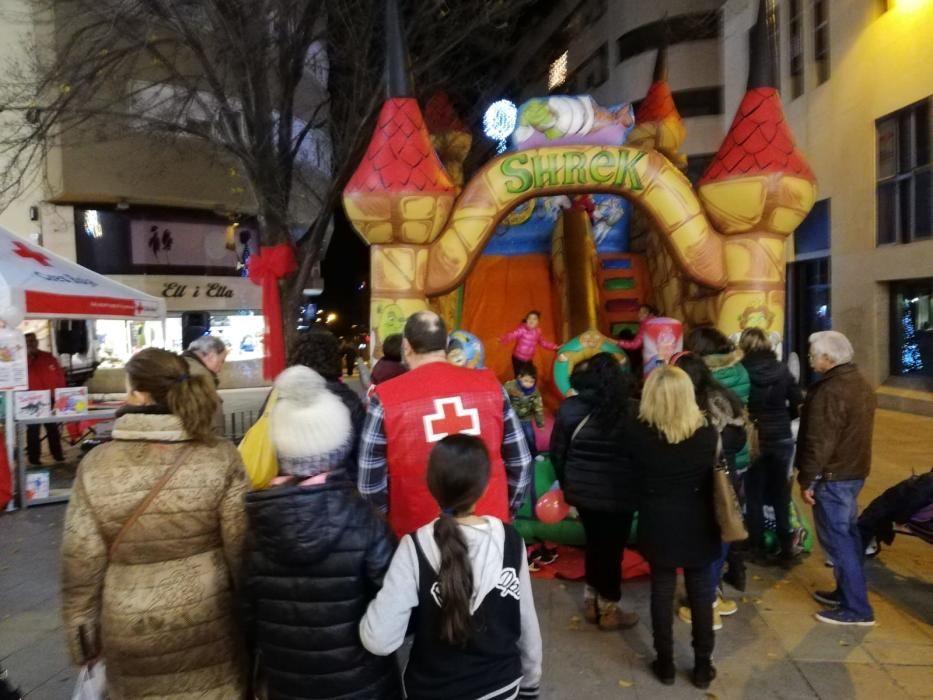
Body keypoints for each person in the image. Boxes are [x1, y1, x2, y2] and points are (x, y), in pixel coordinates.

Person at [61, 348, 249, 697]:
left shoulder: (96, 465)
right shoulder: (221, 456)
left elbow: (80, 563)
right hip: (210, 621)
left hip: (129, 626)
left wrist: (83, 637)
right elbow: (242, 550)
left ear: (142, 394)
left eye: (128, 387)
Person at [245, 366, 401, 699]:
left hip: (287, 685)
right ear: (340, 445)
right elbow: (397, 608)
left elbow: (248, 616)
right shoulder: (366, 521)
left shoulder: (256, 526)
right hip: (364, 685)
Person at [360, 435, 542, 699]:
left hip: (431, 690)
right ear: (483, 486)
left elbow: (379, 640)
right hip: (502, 688)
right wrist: (530, 685)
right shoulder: (511, 540)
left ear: (432, 484)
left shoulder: (414, 548)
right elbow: (527, 624)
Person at [359, 310, 532, 537]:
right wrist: (506, 511)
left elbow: (369, 485)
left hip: (416, 531)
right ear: (447, 344)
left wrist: (388, 524)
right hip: (489, 526)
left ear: (407, 347)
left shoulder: (385, 398)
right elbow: (521, 462)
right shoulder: (491, 386)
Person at [629, 366, 719, 689]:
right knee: (700, 592)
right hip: (698, 519)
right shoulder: (707, 435)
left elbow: (631, 478)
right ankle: (702, 666)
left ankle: (665, 664)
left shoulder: (638, 434)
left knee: (661, 590)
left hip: (658, 518)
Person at [549, 353, 639, 631]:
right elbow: (639, 455)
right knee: (611, 550)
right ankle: (609, 608)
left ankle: (591, 601)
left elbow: (557, 453)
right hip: (620, 494)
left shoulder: (568, 409)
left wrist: (569, 486)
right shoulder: (631, 410)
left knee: (595, 544)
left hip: (583, 493)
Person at [796, 331, 876, 626]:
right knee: (848, 536)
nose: (810, 359)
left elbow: (820, 441)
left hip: (834, 477)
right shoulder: (859, 384)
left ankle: (857, 608)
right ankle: (846, 594)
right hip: (852, 472)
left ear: (828, 358)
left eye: (813, 355)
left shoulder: (830, 391)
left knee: (839, 541)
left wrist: (809, 480)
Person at [675, 352, 747, 613]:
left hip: (698, 480)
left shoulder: (686, 403)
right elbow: (738, 440)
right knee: (722, 531)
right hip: (726, 476)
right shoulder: (724, 397)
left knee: (701, 537)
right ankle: (712, 592)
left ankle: (701, 600)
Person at [685, 327, 751, 592]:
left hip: (716, 460)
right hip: (738, 455)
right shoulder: (741, 370)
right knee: (732, 513)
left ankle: (710, 589)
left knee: (715, 519)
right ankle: (736, 570)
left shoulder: (704, 378)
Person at [740, 327, 804, 565]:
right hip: (782, 437)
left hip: (756, 438)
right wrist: (782, 415)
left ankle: (755, 545)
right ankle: (786, 548)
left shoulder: (742, 370)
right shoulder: (781, 369)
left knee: (754, 493)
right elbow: (797, 400)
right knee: (780, 493)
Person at [288, 328, 366, 481]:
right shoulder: (347, 399)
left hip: (288, 490)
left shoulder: (279, 395)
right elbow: (363, 451)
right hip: (339, 487)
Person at [24, 332, 65, 465]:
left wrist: (61, 395)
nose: (31, 343)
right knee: (33, 430)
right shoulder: (21, 360)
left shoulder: (48, 357)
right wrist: (29, 357)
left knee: (52, 428)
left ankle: (58, 455)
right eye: (28, 342)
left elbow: (59, 376)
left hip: (50, 398)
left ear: (37, 341)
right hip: (31, 399)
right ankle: (34, 459)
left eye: (33, 340)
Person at [184, 334, 228, 435]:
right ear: (212, 356)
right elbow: (214, 421)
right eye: (221, 361)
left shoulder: (178, 366)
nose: (220, 368)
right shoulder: (202, 375)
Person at [503, 364, 545, 459]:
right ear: (519, 377)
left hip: (525, 418)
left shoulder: (534, 392)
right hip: (512, 418)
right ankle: (510, 456)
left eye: (531, 381)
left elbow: (538, 408)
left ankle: (534, 454)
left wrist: (540, 424)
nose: (528, 384)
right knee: (510, 438)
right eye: (526, 380)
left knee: (530, 436)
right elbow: (501, 395)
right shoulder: (511, 385)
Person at [499, 311, 559, 376]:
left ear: (538, 322)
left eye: (534, 319)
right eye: (529, 318)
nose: (531, 321)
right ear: (526, 320)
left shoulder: (538, 332)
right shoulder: (522, 329)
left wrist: (554, 347)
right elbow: (512, 334)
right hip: (518, 358)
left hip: (528, 359)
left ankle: (526, 385)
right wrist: (503, 339)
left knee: (530, 375)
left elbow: (543, 342)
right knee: (520, 376)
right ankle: (518, 384)